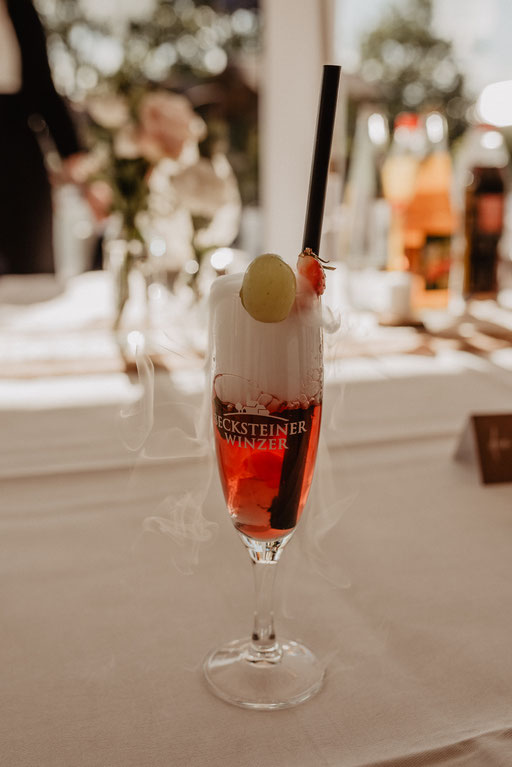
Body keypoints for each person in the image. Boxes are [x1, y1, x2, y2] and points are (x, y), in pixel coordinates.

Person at [0, 0, 81, 274]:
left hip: (17, 146)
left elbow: (42, 86)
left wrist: (73, 154)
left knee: (31, 257)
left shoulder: (19, 7)